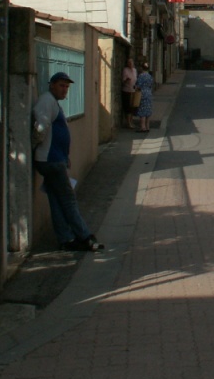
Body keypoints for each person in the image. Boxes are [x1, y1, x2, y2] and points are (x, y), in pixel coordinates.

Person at [32, 72, 104, 251]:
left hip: (55, 159)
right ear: (52, 85)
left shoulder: (52, 102)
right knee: (68, 199)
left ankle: (66, 238)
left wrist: (65, 156)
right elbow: (41, 128)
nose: (65, 90)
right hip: (51, 160)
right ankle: (85, 236)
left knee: (56, 199)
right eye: (61, 86)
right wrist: (36, 144)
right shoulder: (47, 101)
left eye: (67, 87)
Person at [134, 61, 154, 132]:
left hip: (142, 94)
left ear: (142, 68)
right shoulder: (150, 76)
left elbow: (138, 86)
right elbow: (151, 85)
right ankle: (147, 126)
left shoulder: (141, 76)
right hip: (149, 93)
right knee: (148, 110)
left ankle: (143, 127)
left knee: (142, 111)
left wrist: (135, 88)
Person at [121, 57, 137, 129]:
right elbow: (123, 80)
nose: (130, 64)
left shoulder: (134, 70)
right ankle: (128, 123)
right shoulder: (125, 70)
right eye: (129, 62)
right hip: (127, 90)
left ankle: (131, 121)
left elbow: (135, 79)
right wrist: (126, 80)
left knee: (133, 107)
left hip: (133, 90)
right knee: (128, 107)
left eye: (131, 62)